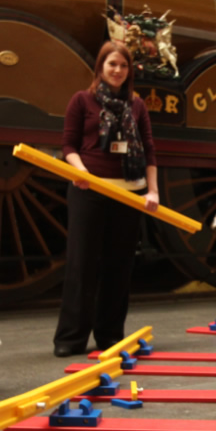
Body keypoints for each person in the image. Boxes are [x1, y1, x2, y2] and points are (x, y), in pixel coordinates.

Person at [53, 41, 158, 357]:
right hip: (89, 190)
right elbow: (68, 145)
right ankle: (70, 339)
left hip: (129, 193)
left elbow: (150, 150)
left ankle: (110, 336)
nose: (117, 70)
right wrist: (82, 172)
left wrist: (152, 191)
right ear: (100, 67)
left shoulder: (137, 105)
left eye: (123, 66)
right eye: (112, 64)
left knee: (119, 266)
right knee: (81, 264)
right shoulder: (82, 100)